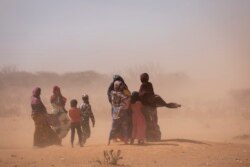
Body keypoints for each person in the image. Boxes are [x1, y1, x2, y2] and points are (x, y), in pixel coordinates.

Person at [139, 73, 181, 141]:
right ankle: (152, 137)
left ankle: (151, 137)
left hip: (148, 110)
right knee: (152, 123)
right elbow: (166, 104)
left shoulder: (145, 89)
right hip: (150, 109)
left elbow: (142, 96)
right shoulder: (153, 94)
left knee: (150, 123)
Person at [108, 81, 130, 145]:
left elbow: (110, 90)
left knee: (113, 127)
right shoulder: (120, 94)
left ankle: (108, 141)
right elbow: (127, 97)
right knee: (124, 126)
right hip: (121, 112)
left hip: (115, 112)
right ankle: (125, 141)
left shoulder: (112, 93)